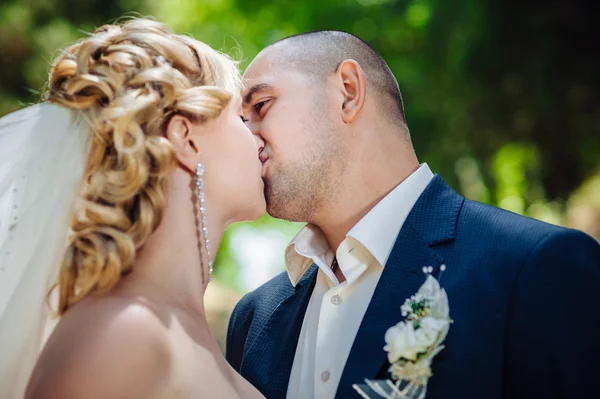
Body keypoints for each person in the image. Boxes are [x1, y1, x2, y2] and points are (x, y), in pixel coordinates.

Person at [226, 30, 600, 399]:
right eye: (242, 124)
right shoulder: (253, 319)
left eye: (260, 106)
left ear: (348, 91)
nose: (249, 138)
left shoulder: (533, 268)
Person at [0, 18, 265, 399]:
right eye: (241, 118)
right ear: (186, 139)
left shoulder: (179, 327)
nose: (258, 137)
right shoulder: (122, 333)